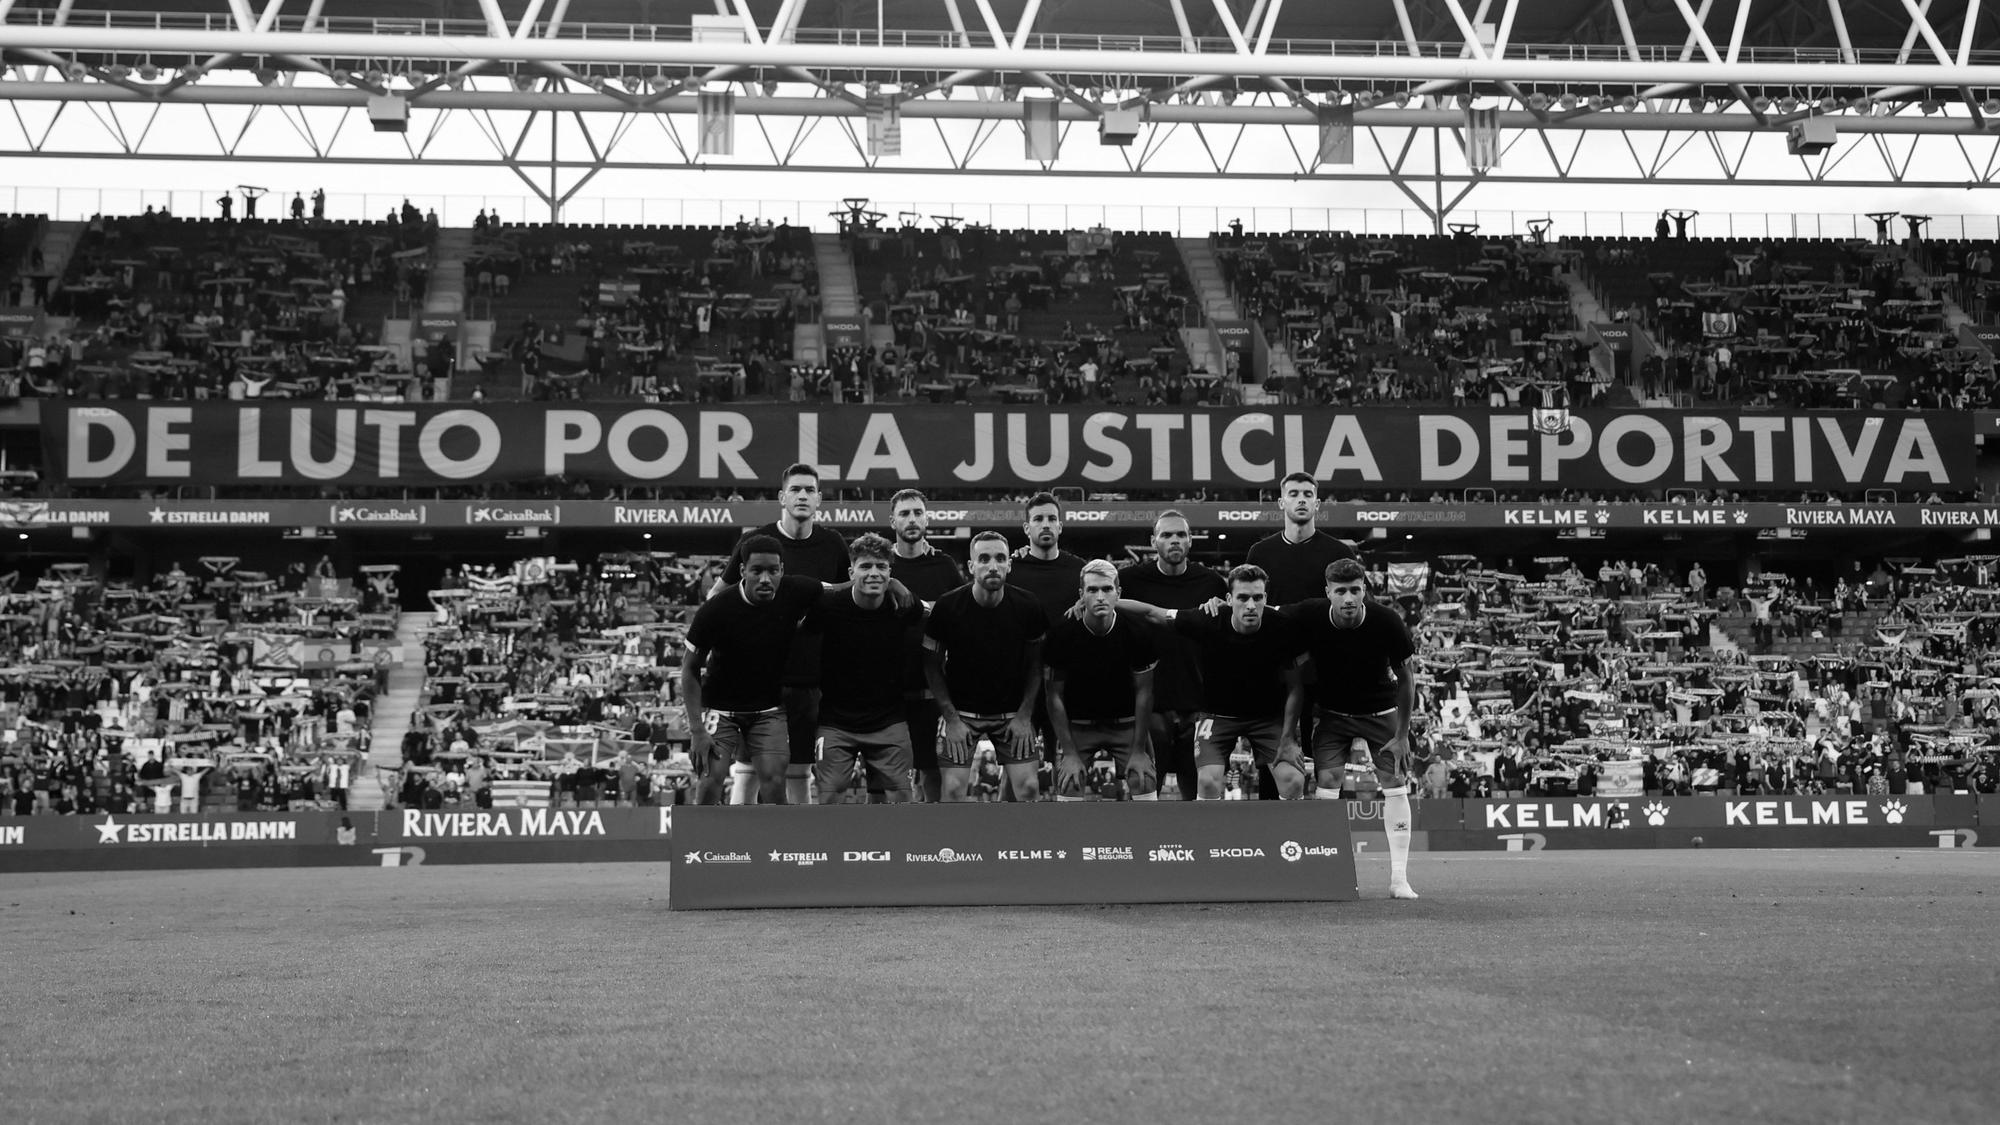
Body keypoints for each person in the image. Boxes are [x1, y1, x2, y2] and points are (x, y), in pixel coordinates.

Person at [1282, 557, 1420, 899]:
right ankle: (1323, 875)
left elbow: (1407, 679)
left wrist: (1402, 736)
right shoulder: (1308, 613)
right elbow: (1266, 609)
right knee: (1327, 782)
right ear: (1327, 592)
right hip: (1332, 714)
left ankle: (1399, 879)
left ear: (1365, 591)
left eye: (1355, 590)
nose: (1348, 598)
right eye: (1340, 591)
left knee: (1394, 783)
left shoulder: (1387, 621)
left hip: (1381, 711)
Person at [718, 463, 851, 804]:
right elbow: (716, 598)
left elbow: (845, 597)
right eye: (796, 489)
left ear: (820, 499)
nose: (802, 495)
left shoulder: (833, 544)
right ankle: (738, 851)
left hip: (810, 676)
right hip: (758, 677)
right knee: (747, 771)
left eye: (809, 490)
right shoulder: (756, 541)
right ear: (782, 497)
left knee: (800, 773)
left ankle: (799, 850)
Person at [1116, 564, 1309, 799]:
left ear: (1265, 598)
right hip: (1218, 718)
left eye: (1257, 598)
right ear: (1228, 599)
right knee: (1207, 781)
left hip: (1268, 719)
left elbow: (1295, 688)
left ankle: (1288, 836)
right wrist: (1106, 603)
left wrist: (1289, 738)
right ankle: (1209, 835)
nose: (1250, 605)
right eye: (1243, 597)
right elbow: (1152, 613)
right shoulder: (1208, 620)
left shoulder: (1282, 627)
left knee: (1294, 780)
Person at [682, 535, 822, 805]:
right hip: (720, 709)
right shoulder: (716, 610)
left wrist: (892, 582)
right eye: (757, 571)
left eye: (773, 570)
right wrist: (697, 730)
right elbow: (689, 669)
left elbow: (840, 589)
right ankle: (700, 845)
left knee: (773, 781)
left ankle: (774, 846)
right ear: (743, 571)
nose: (766, 579)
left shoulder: (797, 591)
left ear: (782, 570)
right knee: (710, 778)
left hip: (768, 709)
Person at [1244, 471, 1358, 798]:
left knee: (1323, 760)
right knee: (1274, 759)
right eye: (1294, 493)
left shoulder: (1338, 552)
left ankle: (1318, 837)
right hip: (1272, 674)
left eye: (1308, 494)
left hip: (1325, 674)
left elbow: (1350, 613)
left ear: (1317, 503)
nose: (1301, 499)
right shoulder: (1260, 554)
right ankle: (1269, 836)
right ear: (1281, 502)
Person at [924, 531, 1047, 802]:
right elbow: (931, 667)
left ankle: (1013, 844)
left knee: (1027, 789)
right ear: (971, 566)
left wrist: (1025, 716)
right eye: (984, 558)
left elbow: (1036, 665)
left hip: (1013, 712)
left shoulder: (1028, 606)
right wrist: (951, 719)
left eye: (1000, 558)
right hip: (961, 713)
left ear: (1009, 565)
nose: (993, 565)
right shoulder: (947, 606)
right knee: (953, 791)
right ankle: (954, 845)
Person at [1115, 510, 1227, 800]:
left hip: (1198, 705)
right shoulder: (1128, 580)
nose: (1174, 540)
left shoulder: (1212, 583)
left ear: (1190, 541)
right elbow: (1097, 601)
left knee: (1199, 799)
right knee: (1144, 797)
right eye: (1166, 535)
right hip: (1148, 707)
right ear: (1154, 541)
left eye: (1181, 535)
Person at [812, 534, 921, 804]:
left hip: (889, 720)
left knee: (903, 797)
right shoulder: (827, 606)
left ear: (890, 572)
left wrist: (896, 586)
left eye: (881, 567)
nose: (874, 573)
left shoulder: (904, 606)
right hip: (836, 722)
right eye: (865, 567)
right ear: (851, 572)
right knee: (828, 796)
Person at [1044, 561, 1157, 800]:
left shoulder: (1137, 632)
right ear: (1081, 595)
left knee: (1143, 778)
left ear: (1118, 592)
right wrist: (1070, 753)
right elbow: (1054, 694)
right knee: (1069, 783)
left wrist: (1138, 750)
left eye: (1107, 589)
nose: (1100, 596)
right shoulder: (1062, 633)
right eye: (1092, 590)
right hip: (1078, 725)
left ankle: (1149, 837)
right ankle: (1071, 838)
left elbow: (1144, 692)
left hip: (1125, 724)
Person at [886, 488, 966, 803]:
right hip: (887, 691)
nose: (912, 519)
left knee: (932, 774)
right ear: (892, 520)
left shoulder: (943, 565)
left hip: (932, 691)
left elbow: (963, 615)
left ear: (927, 518)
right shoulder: (881, 565)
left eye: (918, 512)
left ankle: (930, 843)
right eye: (904, 513)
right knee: (889, 778)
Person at [1004, 491, 1087, 791]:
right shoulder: (1011, 570)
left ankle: (1064, 836)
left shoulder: (1080, 571)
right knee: (1017, 780)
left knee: (1068, 774)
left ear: (1061, 526)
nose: (1046, 524)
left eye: (1052, 518)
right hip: (1021, 687)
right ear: (1027, 528)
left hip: (1068, 686)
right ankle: (1006, 837)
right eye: (1038, 519)